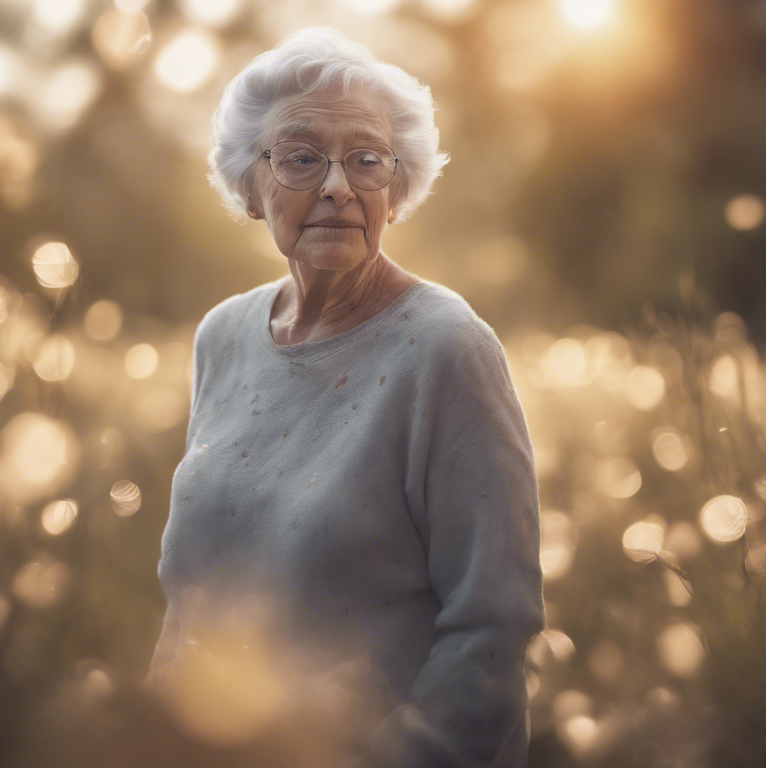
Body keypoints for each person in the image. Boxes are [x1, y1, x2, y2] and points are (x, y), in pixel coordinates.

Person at [148, 27, 545, 768]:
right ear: (249, 183)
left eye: (365, 159)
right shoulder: (223, 337)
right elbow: (188, 609)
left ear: (396, 189)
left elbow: (489, 637)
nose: (337, 184)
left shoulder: (447, 349)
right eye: (302, 158)